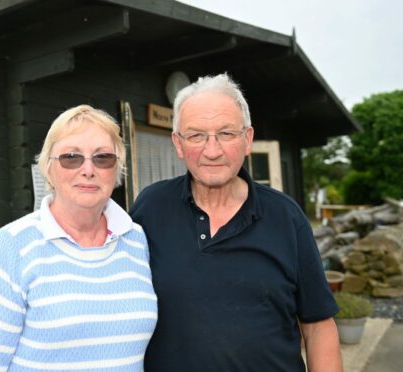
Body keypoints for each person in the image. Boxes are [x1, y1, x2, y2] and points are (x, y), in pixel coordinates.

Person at [130, 74, 342, 371]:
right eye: (196, 135)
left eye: (226, 134)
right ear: (178, 144)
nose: (212, 150)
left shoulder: (286, 217)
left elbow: (318, 326)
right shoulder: (149, 209)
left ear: (248, 140)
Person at [0, 105, 157, 371]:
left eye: (102, 158)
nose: (88, 169)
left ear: (116, 169)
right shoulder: (14, 244)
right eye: (71, 157)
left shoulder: (135, 239)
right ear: (49, 168)